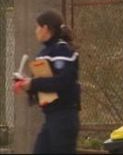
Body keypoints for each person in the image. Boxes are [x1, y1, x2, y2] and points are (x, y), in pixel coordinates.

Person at [19, 9, 80, 154]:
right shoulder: (45, 53)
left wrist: (33, 84)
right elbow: (44, 84)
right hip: (51, 117)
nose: (36, 31)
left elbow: (63, 82)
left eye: (37, 27)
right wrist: (27, 85)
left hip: (64, 116)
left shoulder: (63, 51)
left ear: (45, 28)